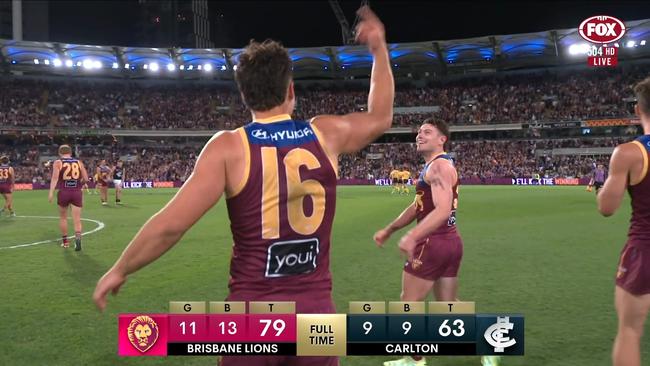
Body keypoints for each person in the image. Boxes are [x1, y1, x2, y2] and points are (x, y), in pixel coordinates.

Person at [93, 6, 393, 366]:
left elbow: (171, 225)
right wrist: (378, 49)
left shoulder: (229, 147)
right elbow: (380, 117)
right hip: (315, 315)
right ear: (290, 89)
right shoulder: (325, 133)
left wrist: (121, 268)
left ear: (244, 95)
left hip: (250, 317)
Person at [374, 121, 500, 366]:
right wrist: (390, 229)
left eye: (427, 132)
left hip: (433, 243)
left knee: (408, 304)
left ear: (442, 139)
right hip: (450, 241)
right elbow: (417, 206)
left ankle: (415, 360)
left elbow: (442, 210)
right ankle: (492, 342)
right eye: (419, 132)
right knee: (448, 306)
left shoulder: (440, 166)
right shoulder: (434, 167)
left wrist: (412, 236)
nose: (420, 135)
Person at [597, 77, 650, 366]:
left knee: (630, 331)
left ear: (636, 109)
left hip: (645, 249)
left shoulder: (630, 152)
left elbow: (606, 207)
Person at [48, 145, 89, 251]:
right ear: (70, 152)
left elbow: (55, 178)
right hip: (76, 192)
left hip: (64, 192)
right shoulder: (78, 162)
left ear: (60, 153)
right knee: (77, 219)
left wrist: (51, 192)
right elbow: (86, 178)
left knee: (63, 217)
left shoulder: (58, 162)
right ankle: (78, 238)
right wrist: (80, 183)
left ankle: (65, 242)